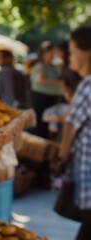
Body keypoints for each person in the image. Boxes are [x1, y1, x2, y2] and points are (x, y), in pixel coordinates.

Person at [58, 26, 91, 240]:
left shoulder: (88, 84)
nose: (69, 58)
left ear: (86, 52)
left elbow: (70, 124)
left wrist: (60, 156)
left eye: (72, 51)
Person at [29, 41, 64, 138]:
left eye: (53, 53)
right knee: (41, 125)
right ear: (44, 53)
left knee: (49, 125)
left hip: (52, 98)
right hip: (41, 98)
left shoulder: (54, 66)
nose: (52, 55)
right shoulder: (40, 66)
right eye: (50, 53)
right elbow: (39, 80)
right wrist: (59, 84)